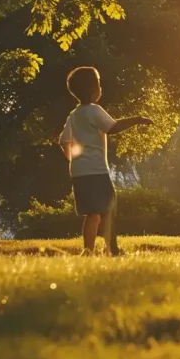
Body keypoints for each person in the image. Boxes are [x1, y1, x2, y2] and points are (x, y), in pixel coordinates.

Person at [59, 66, 152, 256]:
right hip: (97, 170)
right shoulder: (94, 110)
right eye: (99, 84)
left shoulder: (74, 115)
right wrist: (137, 119)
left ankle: (88, 250)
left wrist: (74, 160)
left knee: (92, 213)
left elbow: (63, 141)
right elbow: (113, 127)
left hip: (79, 171)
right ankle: (112, 249)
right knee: (109, 210)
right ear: (94, 89)